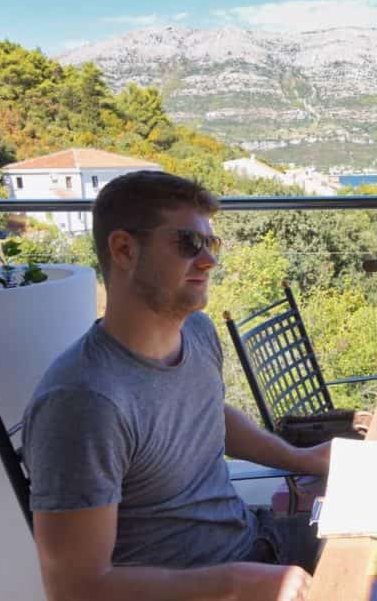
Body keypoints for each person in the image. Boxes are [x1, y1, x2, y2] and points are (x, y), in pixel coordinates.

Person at [22, 170, 328, 601]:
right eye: (188, 244)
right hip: (211, 587)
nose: (208, 261)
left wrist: (304, 457)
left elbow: (207, 414)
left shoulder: (197, 333)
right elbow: (76, 588)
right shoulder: (83, 403)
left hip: (258, 543)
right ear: (125, 250)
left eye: (210, 244)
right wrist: (238, 584)